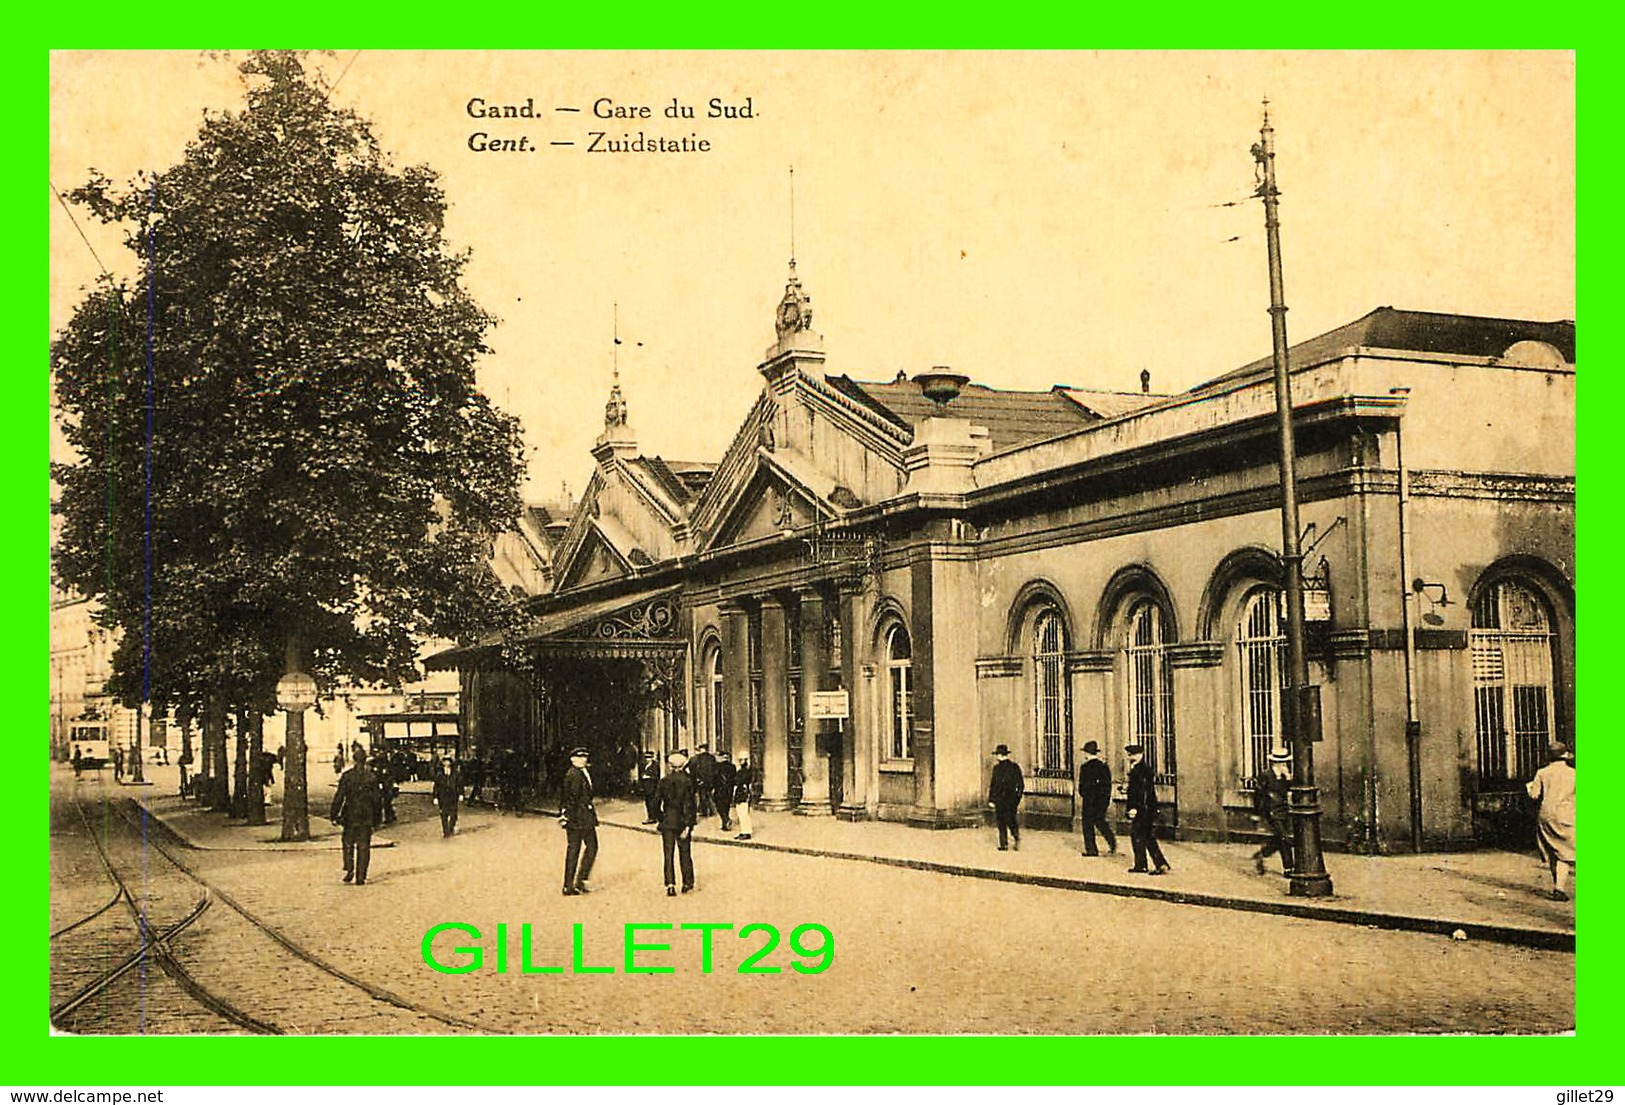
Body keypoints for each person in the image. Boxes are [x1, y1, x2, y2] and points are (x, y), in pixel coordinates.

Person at [1526, 742, 1576, 901]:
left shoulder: (1542, 772)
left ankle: (1558, 886)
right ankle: (1559, 889)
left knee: (1554, 850)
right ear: (1565, 756)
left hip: (1546, 814)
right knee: (1565, 853)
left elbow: (1534, 795)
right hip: (1566, 815)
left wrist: (1529, 787)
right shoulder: (1574, 774)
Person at [329, 743, 383, 885]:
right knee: (364, 846)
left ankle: (349, 868)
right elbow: (377, 799)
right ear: (365, 760)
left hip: (350, 815)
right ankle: (361, 876)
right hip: (366, 815)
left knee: (347, 843)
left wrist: (333, 815)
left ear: (353, 760)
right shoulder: (371, 777)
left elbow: (339, 796)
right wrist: (377, 819)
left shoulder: (347, 776)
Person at [654, 749, 698, 895]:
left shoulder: (663, 781)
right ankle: (687, 882)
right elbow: (690, 805)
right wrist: (689, 824)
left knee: (668, 854)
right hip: (682, 822)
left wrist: (661, 818)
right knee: (685, 853)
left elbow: (655, 804)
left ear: (670, 766)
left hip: (668, 822)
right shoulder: (687, 782)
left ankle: (670, 884)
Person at [1125, 743, 1170, 876]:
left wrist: (1134, 808)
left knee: (1141, 836)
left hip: (1142, 809)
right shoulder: (1142, 769)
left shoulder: (1139, 770)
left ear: (1139, 755)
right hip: (1147, 808)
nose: (1129, 758)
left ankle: (1150, 864)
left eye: (1131, 755)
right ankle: (1152, 864)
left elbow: (1141, 793)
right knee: (1144, 836)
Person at [559, 747, 599, 896]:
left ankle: (576, 881)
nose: (583, 759)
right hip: (579, 819)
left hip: (583, 818)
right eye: (579, 757)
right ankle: (573, 883)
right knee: (580, 849)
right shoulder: (574, 774)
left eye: (585, 757)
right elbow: (571, 798)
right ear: (572, 759)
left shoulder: (580, 772)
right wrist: (566, 815)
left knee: (582, 848)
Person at [1251, 751, 1294, 875]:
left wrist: (1288, 778)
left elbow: (1291, 789)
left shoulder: (1285, 775)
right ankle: (1288, 868)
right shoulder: (1266, 775)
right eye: (1281, 762)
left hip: (1284, 809)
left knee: (1280, 838)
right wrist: (1257, 813)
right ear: (1274, 763)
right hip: (1271, 810)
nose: (1283, 764)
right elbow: (1258, 795)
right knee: (1284, 838)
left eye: (1284, 762)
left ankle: (1263, 853)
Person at [1077, 740, 1116, 857]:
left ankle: (1091, 849)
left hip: (1089, 800)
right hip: (1101, 800)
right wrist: (1105, 800)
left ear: (1086, 753)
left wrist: (1085, 794)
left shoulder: (1085, 767)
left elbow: (1082, 786)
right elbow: (1107, 785)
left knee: (1087, 824)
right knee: (1100, 821)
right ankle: (1111, 841)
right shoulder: (1103, 766)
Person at [988, 744, 1025, 851]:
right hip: (1005, 800)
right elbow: (994, 785)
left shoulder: (1010, 768)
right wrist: (991, 799)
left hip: (1006, 799)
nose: (997, 757)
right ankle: (1008, 841)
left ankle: (1010, 840)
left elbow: (1020, 784)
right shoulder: (1003, 768)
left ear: (1000, 755)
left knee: (1006, 820)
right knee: (1005, 820)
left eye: (998, 754)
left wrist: (1017, 798)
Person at [432, 756, 461, 838]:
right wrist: (435, 797)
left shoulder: (455, 773)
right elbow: (436, 786)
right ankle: (446, 831)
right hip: (443, 796)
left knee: (453, 813)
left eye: (448, 761)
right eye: (445, 762)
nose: (447, 763)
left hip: (453, 795)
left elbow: (459, 783)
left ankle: (451, 827)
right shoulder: (439, 774)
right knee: (444, 814)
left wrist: (461, 794)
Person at [689, 744, 718, 819]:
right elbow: (715, 769)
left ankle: (705, 811)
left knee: (703, 795)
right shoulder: (712, 757)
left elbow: (694, 769)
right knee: (708, 794)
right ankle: (711, 810)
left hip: (701, 780)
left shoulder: (697, 758)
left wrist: (697, 779)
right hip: (710, 780)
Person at [732, 752, 756, 840]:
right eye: (740, 760)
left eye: (742, 760)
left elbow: (740, 781)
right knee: (741, 813)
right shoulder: (741, 771)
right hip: (740, 792)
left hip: (744, 793)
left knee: (744, 813)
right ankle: (743, 831)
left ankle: (747, 831)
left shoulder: (746, 772)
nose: (741, 762)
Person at [714, 750, 737, 832]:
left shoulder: (717, 766)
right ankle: (725, 823)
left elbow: (715, 778)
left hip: (719, 789)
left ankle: (726, 820)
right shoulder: (732, 766)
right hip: (729, 789)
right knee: (726, 806)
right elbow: (734, 778)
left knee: (719, 806)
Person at [639, 750, 661, 824]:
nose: (647, 759)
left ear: (652, 758)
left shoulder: (655, 765)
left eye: (649, 757)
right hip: (646, 786)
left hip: (653, 786)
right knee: (647, 802)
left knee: (653, 802)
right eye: (646, 757)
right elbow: (641, 773)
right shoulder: (643, 764)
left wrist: (648, 776)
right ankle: (650, 816)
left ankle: (653, 817)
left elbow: (656, 775)